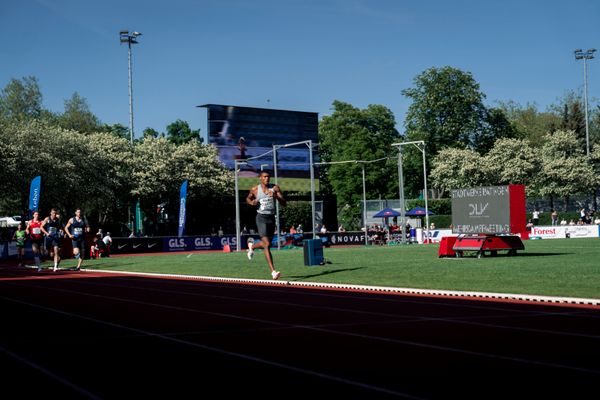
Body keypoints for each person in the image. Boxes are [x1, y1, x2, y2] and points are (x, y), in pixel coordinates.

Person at [246, 170, 286, 280]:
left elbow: (284, 203)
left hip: (271, 218)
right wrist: (252, 202)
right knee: (267, 244)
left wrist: (276, 196)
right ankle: (273, 272)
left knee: (266, 244)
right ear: (260, 178)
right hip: (261, 218)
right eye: (264, 177)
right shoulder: (255, 189)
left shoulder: (275, 188)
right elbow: (248, 199)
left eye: (268, 177)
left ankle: (252, 246)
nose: (267, 179)